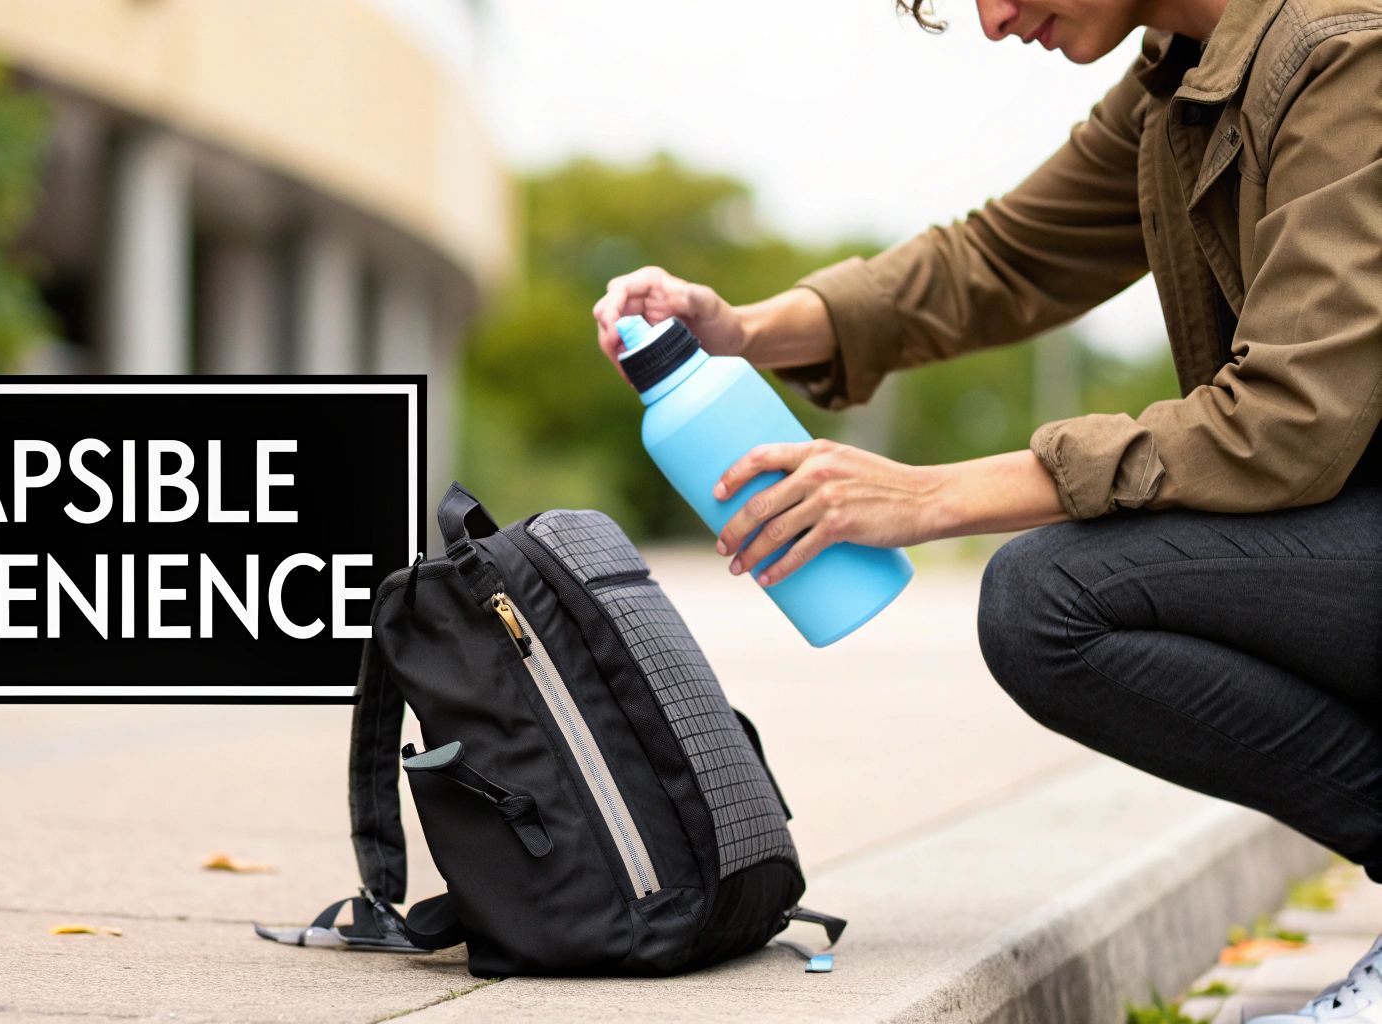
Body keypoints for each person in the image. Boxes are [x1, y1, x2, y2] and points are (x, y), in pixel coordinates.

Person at [592, 0, 1381, 1019]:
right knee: (1046, 599)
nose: (992, 18)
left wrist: (923, 496)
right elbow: (995, 261)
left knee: (1052, 599)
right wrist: (740, 330)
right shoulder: (1174, 79)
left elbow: (1286, 420)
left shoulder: (1341, 53)